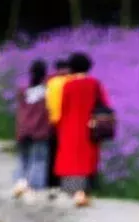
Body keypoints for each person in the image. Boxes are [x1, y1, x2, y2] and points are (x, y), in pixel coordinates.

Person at [52, 51, 111, 207]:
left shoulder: (68, 85)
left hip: (69, 126)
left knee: (70, 159)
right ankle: (84, 192)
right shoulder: (95, 84)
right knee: (87, 158)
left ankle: (73, 191)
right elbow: (105, 104)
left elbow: (63, 107)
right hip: (89, 127)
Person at [13, 59, 50, 200]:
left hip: (23, 130)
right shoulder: (46, 92)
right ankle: (34, 188)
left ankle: (20, 184)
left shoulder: (23, 91)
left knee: (23, 159)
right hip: (39, 132)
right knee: (39, 161)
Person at [45, 57, 71, 194]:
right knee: (64, 153)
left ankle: (50, 182)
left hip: (51, 123)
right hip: (65, 124)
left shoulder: (50, 82)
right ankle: (63, 182)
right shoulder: (69, 82)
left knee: (52, 154)